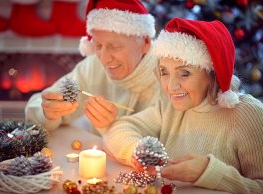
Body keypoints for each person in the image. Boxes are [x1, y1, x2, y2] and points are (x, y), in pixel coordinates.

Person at [103, 18, 263, 194]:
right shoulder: (170, 106)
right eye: (164, 72)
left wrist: (208, 172)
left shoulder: (247, 114)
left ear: (212, 73)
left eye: (184, 73)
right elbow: (120, 129)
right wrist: (137, 152)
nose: (171, 86)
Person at [25, 0, 161, 135]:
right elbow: (39, 103)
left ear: (145, 42)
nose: (104, 59)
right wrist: (48, 113)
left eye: (114, 46)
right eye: (98, 46)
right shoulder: (93, 66)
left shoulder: (169, 75)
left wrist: (112, 127)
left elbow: (170, 148)